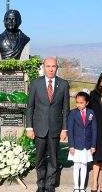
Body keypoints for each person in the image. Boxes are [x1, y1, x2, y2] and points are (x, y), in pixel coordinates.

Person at [26, 57, 69, 192]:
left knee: (54, 159)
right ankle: (40, 185)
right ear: (43, 67)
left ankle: (50, 185)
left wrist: (65, 128)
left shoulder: (63, 84)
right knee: (39, 158)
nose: (51, 69)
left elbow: (66, 109)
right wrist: (29, 127)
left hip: (56, 128)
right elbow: (30, 107)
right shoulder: (35, 83)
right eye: (48, 66)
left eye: (53, 66)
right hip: (39, 128)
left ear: (57, 68)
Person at [68, 91, 97, 192]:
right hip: (76, 145)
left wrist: (93, 145)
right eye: (77, 102)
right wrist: (71, 145)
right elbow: (70, 130)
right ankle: (76, 187)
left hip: (87, 145)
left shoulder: (91, 113)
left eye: (81, 102)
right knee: (77, 165)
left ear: (87, 103)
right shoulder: (72, 113)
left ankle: (82, 187)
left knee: (84, 165)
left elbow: (94, 130)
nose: (79, 104)